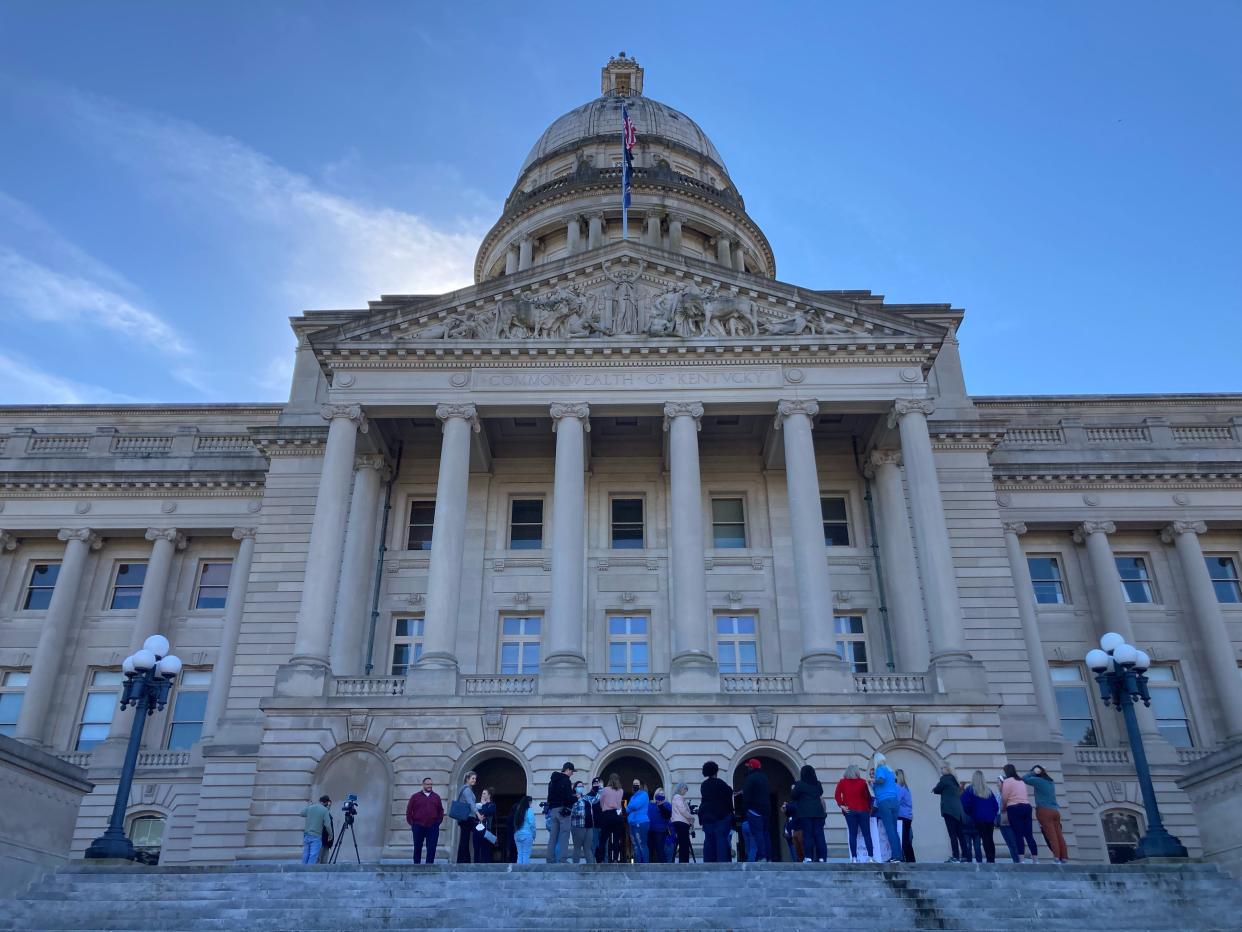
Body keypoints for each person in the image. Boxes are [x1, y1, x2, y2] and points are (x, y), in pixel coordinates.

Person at [1024, 765, 1068, 863]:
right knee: (1059, 835)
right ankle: (1064, 857)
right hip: (1055, 811)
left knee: (1051, 835)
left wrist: (1034, 772)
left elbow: (1025, 779)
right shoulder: (1050, 782)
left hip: (1044, 811)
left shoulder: (1039, 781)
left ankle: (1056, 858)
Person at [834, 763, 874, 863]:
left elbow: (837, 795)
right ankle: (870, 857)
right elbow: (868, 797)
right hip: (863, 810)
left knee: (852, 834)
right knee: (867, 834)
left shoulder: (842, 782)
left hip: (850, 811)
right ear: (856, 772)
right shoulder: (863, 782)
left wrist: (842, 805)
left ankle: (854, 858)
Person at [1001, 764, 1038, 863]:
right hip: (1026, 806)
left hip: (1014, 807)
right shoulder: (1021, 781)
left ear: (1006, 772)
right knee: (1029, 835)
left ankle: (1021, 859)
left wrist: (1003, 809)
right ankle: (1035, 859)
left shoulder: (1007, 781)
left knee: (1018, 834)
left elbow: (1005, 797)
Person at [698, 761, 733, 863]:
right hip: (721, 816)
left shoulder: (704, 785)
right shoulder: (720, 783)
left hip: (707, 816)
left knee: (708, 839)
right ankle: (722, 862)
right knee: (721, 839)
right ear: (716, 771)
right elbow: (728, 794)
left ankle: (708, 862)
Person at [791, 764, 827, 863]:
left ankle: (809, 857)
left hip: (805, 814)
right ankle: (822, 857)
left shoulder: (800, 784)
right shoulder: (818, 784)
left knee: (808, 835)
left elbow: (793, 796)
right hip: (818, 813)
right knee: (819, 835)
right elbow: (820, 792)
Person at [961, 771, 999, 863]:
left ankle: (989, 860)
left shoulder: (970, 790)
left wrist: (971, 812)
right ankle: (991, 859)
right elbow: (996, 805)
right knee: (990, 838)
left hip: (978, 818)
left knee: (985, 838)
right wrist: (992, 814)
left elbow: (964, 803)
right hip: (990, 818)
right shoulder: (988, 790)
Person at [870, 753, 902, 863]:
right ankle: (899, 856)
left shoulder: (879, 769)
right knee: (894, 829)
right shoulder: (890, 770)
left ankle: (896, 856)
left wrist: (871, 780)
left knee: (890, 830)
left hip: (884, 801)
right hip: (894, 801)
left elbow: (881, 780)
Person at [933, 764, 967, 863]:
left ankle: (955, 856)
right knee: (960, 835)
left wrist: (935, 788)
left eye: (942, 768)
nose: (941, 771)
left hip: (949, 810)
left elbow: (937, 789)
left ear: (947, 769)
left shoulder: (945, 778)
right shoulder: (954, 780)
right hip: (958, 811)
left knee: (952, 834)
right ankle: (965, 856)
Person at [406, 777, 444, 864]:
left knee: (431, 848)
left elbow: (441, 811)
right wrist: (413, 824)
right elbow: (409, 811)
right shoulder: (415, 797)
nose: (429, 786)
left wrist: (437, 823)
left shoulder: (436, 797)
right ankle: (416, 866)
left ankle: (429, 867)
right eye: (427, 784)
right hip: (418, 826)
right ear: (423, 785)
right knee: (417, 847)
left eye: (431, 784)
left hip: (433, 827)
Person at [741, 758, 772, 862]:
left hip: (754, 810)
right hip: (766, 809)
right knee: (765, 833)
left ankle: (762, 856)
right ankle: (769, 857)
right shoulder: (765, 777)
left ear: (751, 767)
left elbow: (747, 795)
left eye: (748, 766)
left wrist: (746, 808)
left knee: (757, 833)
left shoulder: (750, 778)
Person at [546, 761, 576, 865]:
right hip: (563, 811)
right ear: (567, 770)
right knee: (564, 835)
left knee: (553, 836)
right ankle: (562, 859)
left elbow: (549, 797)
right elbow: (567, 797)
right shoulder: (566, 780)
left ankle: (550, 859)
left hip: (553, 811)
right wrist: (575, 798)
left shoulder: (552, 781)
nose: (572, 774)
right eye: (572, 771)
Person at [598, 772, 625, 863]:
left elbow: (601, 801)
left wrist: (603, 808)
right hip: (617, 816)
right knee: (617, 839)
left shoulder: (605, 790)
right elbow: (619, 804)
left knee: (603, 839)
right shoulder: (621, 791)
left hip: (607, 815)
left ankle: (601, 859)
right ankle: (615, 859)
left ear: (609, 779)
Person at [299, 794, 332, 864]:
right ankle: (309, 873)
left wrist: (310, 806)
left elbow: (301, 813)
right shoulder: (325, 810)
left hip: (306, 835)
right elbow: (327, 825)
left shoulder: (311, 807)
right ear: (326, 802)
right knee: (313, 856)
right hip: (316, 836)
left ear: (320, 801)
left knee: (305, 855)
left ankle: (302, 871)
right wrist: (330, 834)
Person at [455, 771, 478, 864]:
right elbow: (470, 803)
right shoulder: (467, 789)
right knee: (465, 839)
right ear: (467, 779)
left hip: (466, 818)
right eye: (473, 778)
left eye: (475, 778)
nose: (474, 780)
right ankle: (464, 861)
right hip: (467, 817)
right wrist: (478, 813)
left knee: (465, 838)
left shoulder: (466, 789)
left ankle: (463, 860)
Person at [626, 779, 651, 863]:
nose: (635, 785)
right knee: (635, 846)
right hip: (632, 823)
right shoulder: (633, 797)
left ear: (641, 785)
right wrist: (629, 808)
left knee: (642, 845)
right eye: (633, 784)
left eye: (636, 783)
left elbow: (634, 806)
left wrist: (629, 807)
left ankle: (645, 866)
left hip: (641, 822)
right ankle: (638, 866)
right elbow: (627, 810)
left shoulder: (644, 794)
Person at [895, 769, 916, 863]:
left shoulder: (899, 788)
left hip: (902, 816)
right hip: (907, 816)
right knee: (906, 839)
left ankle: (908, 860)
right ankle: (911, 860)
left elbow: (896, 801)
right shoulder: (905, 788)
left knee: (904, 840)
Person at [647, 788, 672, 863]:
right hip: (650, 831)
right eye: (659, 794)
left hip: (661, 831)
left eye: (662, 794)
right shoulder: (650, 804)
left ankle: (663, 868)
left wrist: (661, 805)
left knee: (659, 850)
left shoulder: (667, 804)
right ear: (655, 795)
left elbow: (668, 815)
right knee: (650, 850)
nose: (660, 796)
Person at [671, 782, 694, 863]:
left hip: (678, 822)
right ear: (681, 789)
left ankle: (683, 861)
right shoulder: (678, 797)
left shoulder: (676, 798)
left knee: (682, 842)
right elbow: (683, 810)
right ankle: (684, 861)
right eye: (685, 789)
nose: (685, 791)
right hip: (682, 822)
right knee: (684, 843)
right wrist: (691, 816)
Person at [569, 781, 592, 863]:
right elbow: (571, 811)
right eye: (579, 786)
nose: (581, 787)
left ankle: (591, 868)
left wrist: (598, 788)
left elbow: (596, 799)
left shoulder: (586, 797)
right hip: (578, 825)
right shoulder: (572, 798)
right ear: (575, 788)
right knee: (577, 847)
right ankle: (575, 868)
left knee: (588, 848)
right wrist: (582, 814)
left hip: (588, 825)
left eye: (582, 786)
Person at [472, 787, 496, 864]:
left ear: (489, 795)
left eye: (484, 793)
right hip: (477, 829)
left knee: (485, 850)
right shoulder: (478, 805)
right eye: (482, 793)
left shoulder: (492, 805)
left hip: (486, 830)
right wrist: (481, 809)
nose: (482, 795)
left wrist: (484, 805)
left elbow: (487, 812)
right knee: (476, 849)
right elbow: (475, 814)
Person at [512, 795, 537, 864]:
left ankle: (518, 872)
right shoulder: (529, 810)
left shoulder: (518, 811)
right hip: (527, 834)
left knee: (520, 854)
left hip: (517, 834)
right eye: (531, 803)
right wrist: (534, 835)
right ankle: (525, 873)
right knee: (526, 854)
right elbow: (532, 824)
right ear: (529, 802)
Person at [585, 777, 603, 863]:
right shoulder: (588, 795)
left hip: (603, 825)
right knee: (593, 845)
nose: (597, 785)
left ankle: (602, 862)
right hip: (593, 824)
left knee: (603, 846)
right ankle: (591, 863)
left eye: (598, 783)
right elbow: (592, 804)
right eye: (595, 784)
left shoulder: (604, 795)